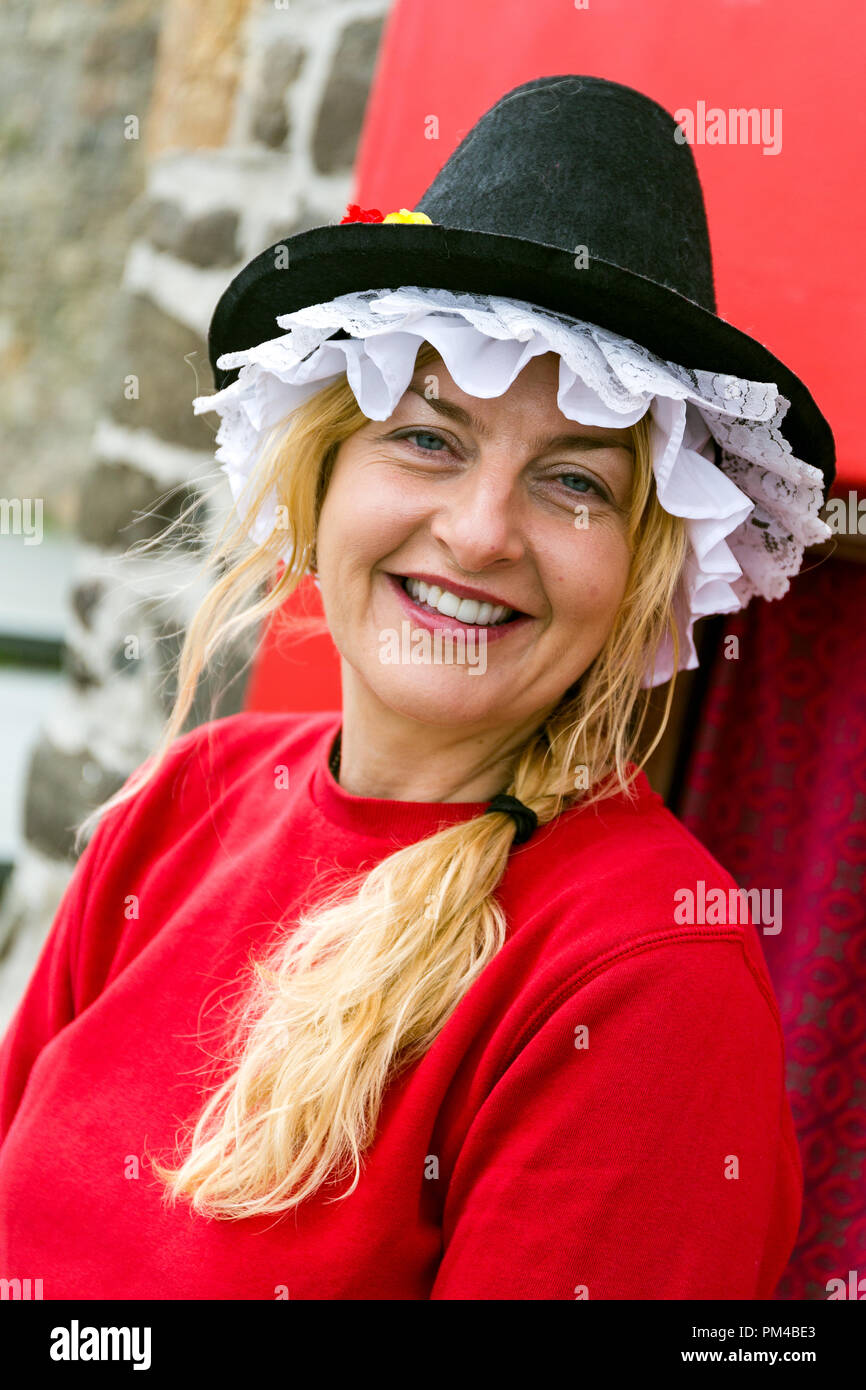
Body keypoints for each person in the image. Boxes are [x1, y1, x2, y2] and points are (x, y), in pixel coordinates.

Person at [0, 75, 834, 1300]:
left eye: (574, 483)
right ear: (319, 477)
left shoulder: (649, 981)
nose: (481, 531)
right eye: (428, 438)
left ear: (646, 572)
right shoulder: (180, 806)